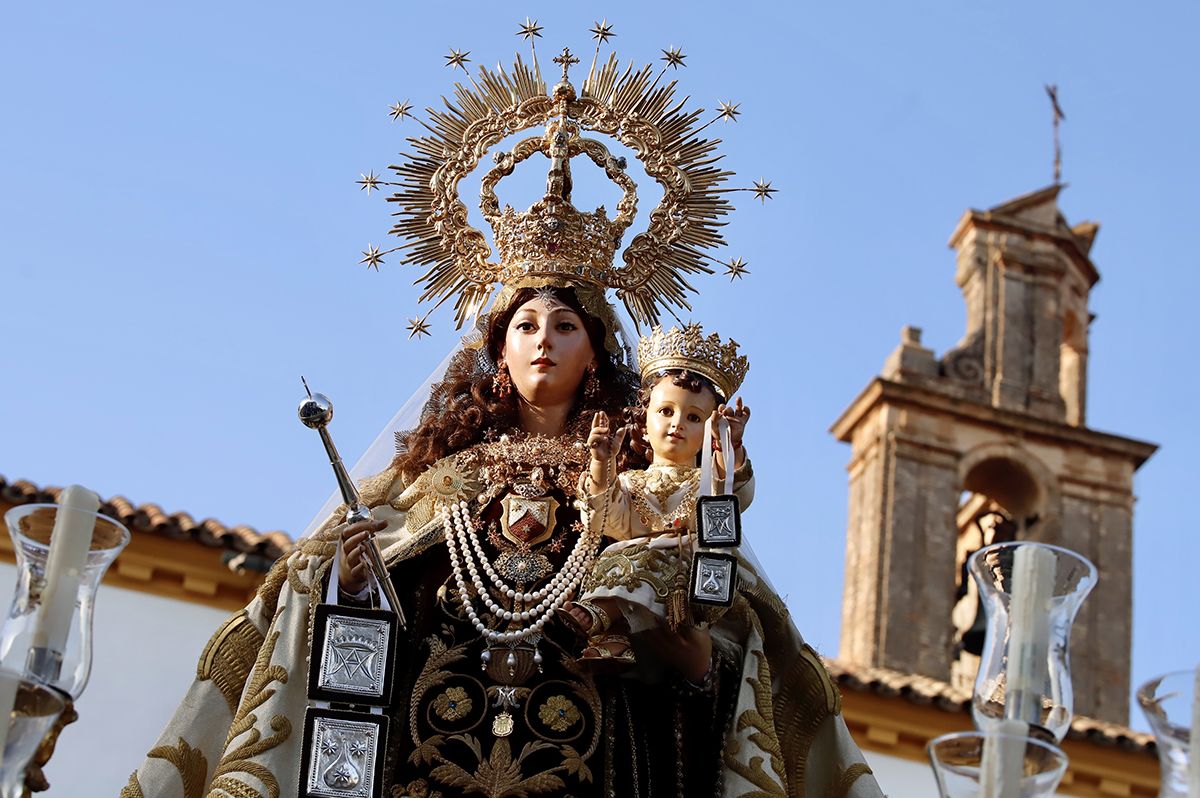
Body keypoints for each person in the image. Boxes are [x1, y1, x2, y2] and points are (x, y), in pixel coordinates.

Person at [122, 47, 883, 798]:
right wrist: (353, 581)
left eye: (563, 326)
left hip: (600, 762)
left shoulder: (643, 481)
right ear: (498, 348)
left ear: (596, 351)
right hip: (425, 761)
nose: (542, 340)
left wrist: (689, 654)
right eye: (524, 326)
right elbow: (338, 612)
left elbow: (716, 638)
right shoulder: (436, 480)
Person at [561, 324, 753, 666]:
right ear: (644, 422)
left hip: (687, 571)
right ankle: (611, 636)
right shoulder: (632, 482)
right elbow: (604, 519)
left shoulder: (710, 481)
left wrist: (731, 445)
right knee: (615, 554)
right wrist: (601, 463)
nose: (677, 423)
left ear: (710, 433)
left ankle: (604, 618)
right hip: (632, 561)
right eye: (666, 411)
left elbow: (737, 490)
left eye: (694, 417)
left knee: (644, 561)